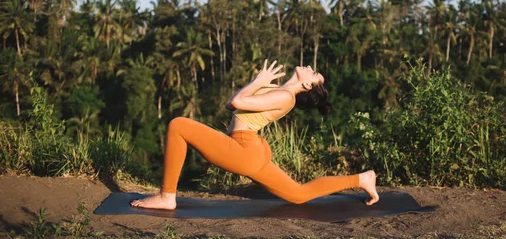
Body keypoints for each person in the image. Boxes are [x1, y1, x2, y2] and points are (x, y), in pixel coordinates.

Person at [131, 60, 379, 210]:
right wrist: (260, 82)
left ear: (307, 86)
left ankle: (167, 196)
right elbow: (232, 105)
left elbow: (238, 99)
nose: (311, 68)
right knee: (298, 194)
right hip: (252, 149)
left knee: (178, 124)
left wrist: (258, 80)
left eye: (314, 75)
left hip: (243, 150)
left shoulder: (284, 96)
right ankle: (361, 179)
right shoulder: (280, 91)